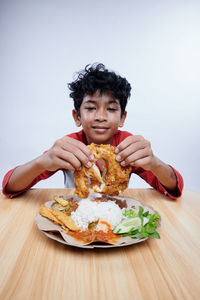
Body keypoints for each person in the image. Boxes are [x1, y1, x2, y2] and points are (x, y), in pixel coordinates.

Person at [2, 63, 183, 199]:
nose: (101, 116)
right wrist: (43, 161)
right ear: (77, 116)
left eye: (111, 109)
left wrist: (154, 163)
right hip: (77, 215)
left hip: (116, 217)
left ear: (122, 118)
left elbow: (174, 188)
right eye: (90, 108)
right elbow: (9, 186)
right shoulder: (68, 146)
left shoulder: (128, 146)